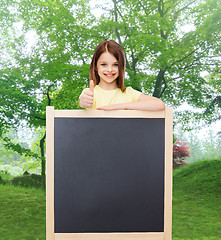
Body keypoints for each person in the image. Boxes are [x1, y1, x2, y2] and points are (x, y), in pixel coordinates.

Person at [79, 40, 165, 111]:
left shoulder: (129, 93)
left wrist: (121, 106)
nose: (109, 69)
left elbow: (159, 105)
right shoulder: (91, 93)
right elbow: (83, 101)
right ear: (96, 66)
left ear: (122, 67)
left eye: (115, 65)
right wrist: (84, 101)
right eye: (104, 64)